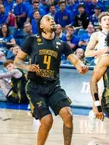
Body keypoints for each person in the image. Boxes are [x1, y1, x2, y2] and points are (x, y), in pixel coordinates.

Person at [14, 14, 88, 145]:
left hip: (53, 86)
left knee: (68, 115)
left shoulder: (62, 44)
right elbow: (17, 61)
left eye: (53, 19)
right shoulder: (31, 40)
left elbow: (74, 59)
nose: (52, 20)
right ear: (41, 26)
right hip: (35, 87)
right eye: (48, 20)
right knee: (47, 121)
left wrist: (80, 66)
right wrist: (27, 67)